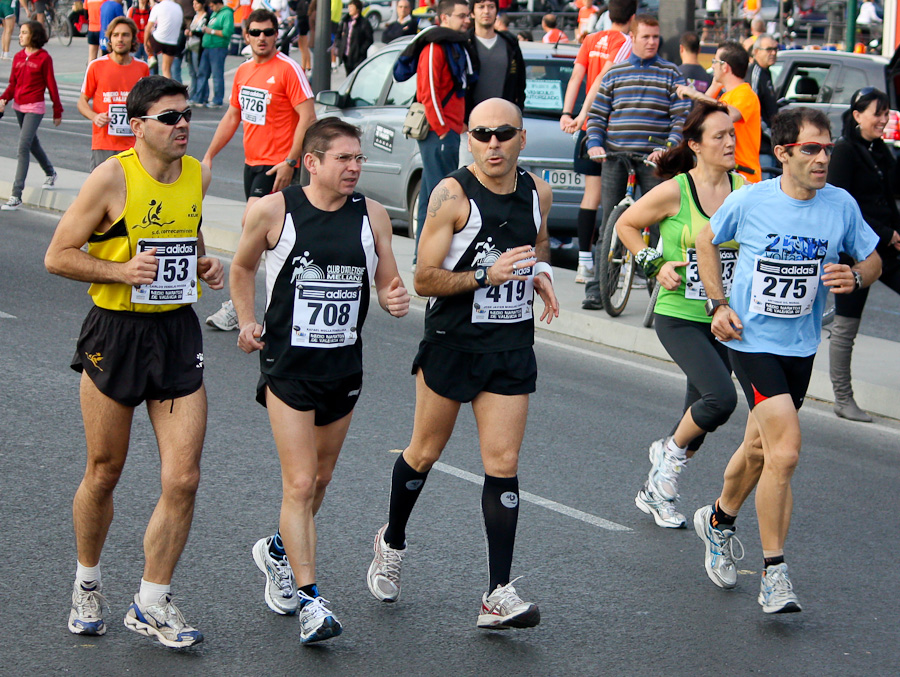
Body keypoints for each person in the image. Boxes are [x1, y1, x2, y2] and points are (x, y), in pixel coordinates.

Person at [44, 75, 225, 646]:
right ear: (138, 125)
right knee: (105, 470)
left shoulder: (196, 174)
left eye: (187, 114)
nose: (182, 126)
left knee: (184, 477)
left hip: (175, 332)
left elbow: (186, 238)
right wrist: (121, 271)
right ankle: (87, 581)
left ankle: (152, 600)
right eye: (169, 118)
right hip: (115, 332)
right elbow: (58, 256)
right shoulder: (112, 177)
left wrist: (203, 264)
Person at [365, 98, 559, 630]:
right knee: (424, 452)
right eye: (481, 134)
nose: (492, 143)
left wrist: (538, 272)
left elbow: (538, 246)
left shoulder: (537, 192)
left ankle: (497, 594)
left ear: (522, 138)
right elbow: (424, 277)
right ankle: (393, 540)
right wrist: (485, 276)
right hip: (453, 342)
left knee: (503, 461)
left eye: (503, 134)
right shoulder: (452, 194)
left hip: (510, 345)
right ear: (468, 140)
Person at [693, 107, 881, 614]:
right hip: (750, 342)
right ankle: (775, 573)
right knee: (788, 451)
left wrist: (857, 277)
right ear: (783, 153)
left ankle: (717, 519)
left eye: (827, 149)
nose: (822, 159)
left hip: (800, 345)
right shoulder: (752, 200)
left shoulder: (839, 205)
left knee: (760, 451)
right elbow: (705, 241)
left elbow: (873, 256)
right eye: (811, 149)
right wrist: (718, 303)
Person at [232, 117, 410, 644]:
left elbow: (388, 282)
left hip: (342, 368)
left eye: (359, 158)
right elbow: (241, 268)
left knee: (323, 480)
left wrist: (396, 299)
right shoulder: (274, 210)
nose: (355, 167)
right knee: (301, 482)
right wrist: (246, 320)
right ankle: (312, 602)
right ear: (312, 162)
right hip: (288, 367)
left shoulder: (372, 215)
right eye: (344, 159)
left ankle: (279, 552)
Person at [615, 101, 741, 528]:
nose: (729, 141)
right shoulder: (676, 190)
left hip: (723, 318)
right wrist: (654, 263)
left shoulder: (744, 189)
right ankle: (663, 474)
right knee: (720, 399)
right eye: (719, 136)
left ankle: (662, 468)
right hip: (679, 315)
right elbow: (626, 226)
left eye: (731, 134)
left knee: (700, 423)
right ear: (696, 145)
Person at [203, 8, 316, 330]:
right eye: (255, 33)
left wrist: (291, 161)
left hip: (277, 164)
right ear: (247, 35)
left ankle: (238, 307)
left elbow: (308, 117)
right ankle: (283, 302)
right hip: (252, 163)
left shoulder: (288, 69)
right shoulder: (243, 71)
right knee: (272, 239)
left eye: (268, 32)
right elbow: (232, 116)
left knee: (251, 226)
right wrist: (209, 155)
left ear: (276, 35)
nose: (262, 38)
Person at [583, 14, 691, 309]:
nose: (652, 42)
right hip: (615, 157)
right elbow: (597, 116)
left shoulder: (672, 73)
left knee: (660, 226)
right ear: (632, 38)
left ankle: (662, 289)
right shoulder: (614, 73)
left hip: (654, 160)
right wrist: (594, 144)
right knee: (610, 223)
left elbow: (681, 117)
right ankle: (598, 287)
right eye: (645, 37)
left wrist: (668, 148)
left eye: (656, 37)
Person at [827, 87, 900, 421]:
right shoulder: (844, 152)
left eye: (886, 114)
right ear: (857, 116)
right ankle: (843, 398)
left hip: (888, 250)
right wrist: (886, 233)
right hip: (855, 253)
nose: (883, 120)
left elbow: (891, 197)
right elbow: (844, 206)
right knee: (846, 324)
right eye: (877, 114)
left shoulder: (881, 151)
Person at [560, 0, 635, 284]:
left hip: (589, 127)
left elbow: (577, 75)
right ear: (633, 17)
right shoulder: (626, 42)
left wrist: (568, 113)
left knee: (591, 197)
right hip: (610, 128)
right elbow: (602, 78)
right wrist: (582, 114)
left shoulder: (591, 38)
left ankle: (584, 264)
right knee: (616, 200)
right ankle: (617, 268)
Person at [403, 0, 473, 267]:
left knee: (433, 193)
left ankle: (422, 256)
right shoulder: (434, 46)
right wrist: (443, 129)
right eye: (461, 15)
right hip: (438, 131)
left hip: (449, 128)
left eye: (468, 15)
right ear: (444, 17)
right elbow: (428, 91)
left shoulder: (453, 43)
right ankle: (428, 258)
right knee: (440, 194)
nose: (467, 20)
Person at [677, 41, 761, 185]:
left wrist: (695, 94)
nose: (713, 66)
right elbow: (699, 116)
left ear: (725, 67)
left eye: (715, 61)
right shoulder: (725, 96)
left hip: (744, 175)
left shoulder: (745, 93)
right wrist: (714, 86)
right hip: (728, 174)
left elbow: (730, 114)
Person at [0, 21, 62, 211]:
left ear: (33, 35)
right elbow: (12, 84)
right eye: (20, 32)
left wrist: (57, 110)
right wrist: (3, 99)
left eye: (24, 32)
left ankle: (16, 194)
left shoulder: (44, 58)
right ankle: (50, 172)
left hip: (35, 107)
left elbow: (51, 85)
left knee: (23, 146)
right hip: (19, 106)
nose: (19, 36)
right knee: (32, 143)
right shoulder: (18, 57)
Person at [78, 17, 150, 172]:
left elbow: (148, 105)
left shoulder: (142, 68)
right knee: (100, 192)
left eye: (125, 35)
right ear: (109, 39)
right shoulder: (96, 66)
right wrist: (94, 117)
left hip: (133, 144)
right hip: (103, 143)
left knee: (129, 192)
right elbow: (82, 101)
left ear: (132, 39)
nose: (120, 39)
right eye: (116, 35)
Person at [466, 0, 525, 112]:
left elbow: (520, 82)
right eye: (481, 7)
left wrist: (518, 110)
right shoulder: (464, 44)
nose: (486, 11)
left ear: (497, 11)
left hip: (504, 118)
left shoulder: (510, 44)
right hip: (470, 119)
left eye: (491, 7)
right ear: (472, 13)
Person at [194, 0, 231, 107]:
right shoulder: (215, 13)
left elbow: (227, 32)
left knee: (217, 74)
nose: (211, 8)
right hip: (208, 46)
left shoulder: (227, 13)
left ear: (218, 3)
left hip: (218, 47)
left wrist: (212, 31)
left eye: (212, 6)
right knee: (202, 73)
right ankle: (200, 98)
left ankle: (217, 99)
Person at [146, 0, 184, 78]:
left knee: (148, 39)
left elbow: (148, 28)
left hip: (158, 39)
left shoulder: (158, 7)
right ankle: (168, 89)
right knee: (166, 70)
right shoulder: (178, 7)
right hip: (172, 42)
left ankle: (151, 56)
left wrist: (145, 44)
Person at [747, 34, 778, 129]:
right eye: (769, 49)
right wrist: (767, 132)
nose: (773, 53)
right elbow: (752, 109)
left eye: (775, 49)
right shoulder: (755, 74)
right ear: (756, 52)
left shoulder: (766, 72)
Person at [335, 0, 372, 76]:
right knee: (348, 76)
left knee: (356, 76)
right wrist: (340, 45)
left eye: (352, 7)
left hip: (358, 57)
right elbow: (338, 34)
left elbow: (369, 39)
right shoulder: (345, 21)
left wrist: (361, 50)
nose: (349, 9)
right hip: (346, 55)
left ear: (358, 9)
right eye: (349, 7)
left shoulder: (363, 22)